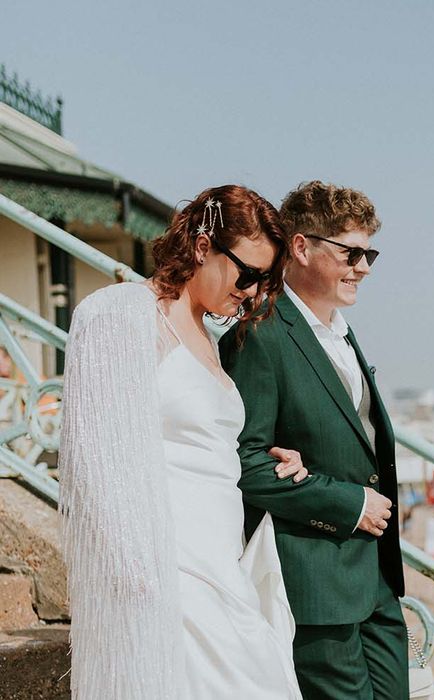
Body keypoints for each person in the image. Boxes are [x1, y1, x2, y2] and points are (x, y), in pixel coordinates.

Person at [59, 185, 304, 699]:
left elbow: (203, 446)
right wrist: (135, 577)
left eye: (266, 280)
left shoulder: (212, 339)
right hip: (167, 569)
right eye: (248, 273)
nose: (254, 292)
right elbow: (90, 459)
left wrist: (273, 458)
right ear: (200, 245)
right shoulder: (121, 314)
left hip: (223, 564)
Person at [220, 180, 408, 699]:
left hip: (376, 580)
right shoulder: (259, 334)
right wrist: (348, 503)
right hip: (315, 584)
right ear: (301, 247)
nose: (363, 266)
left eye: (369, 252)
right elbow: (243, 462)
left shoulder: (342, 331)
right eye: (351, 252)